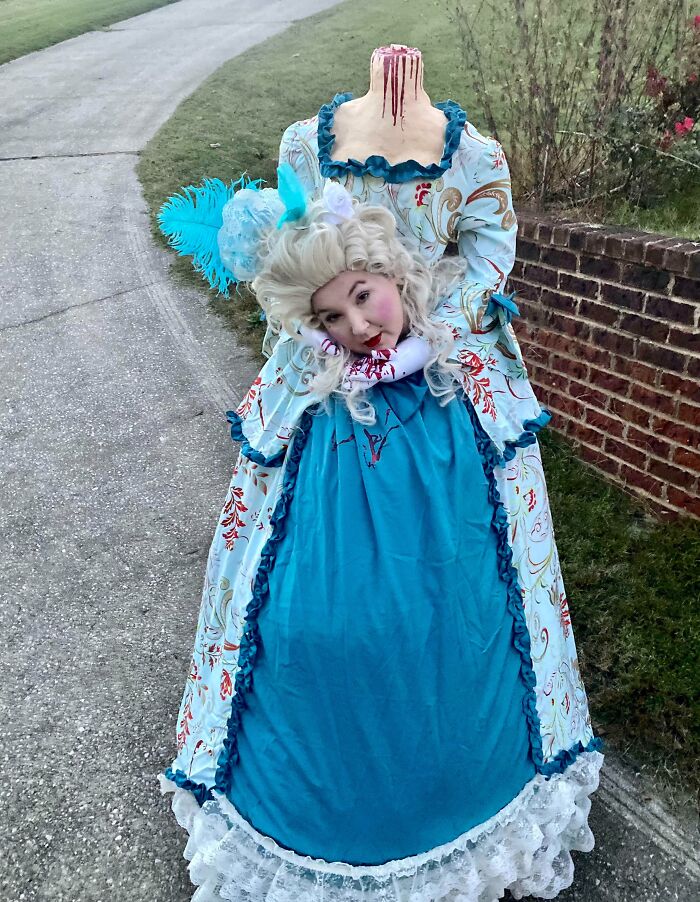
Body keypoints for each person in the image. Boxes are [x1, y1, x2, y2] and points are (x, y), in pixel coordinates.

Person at [158, 154, 603, 899]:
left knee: (460, 609)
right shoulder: (324, 358)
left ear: (391, 275)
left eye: (364, 299)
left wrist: (435, 342)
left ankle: (460, 796)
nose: (359, 328)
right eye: (331, 317)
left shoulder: (472, 167)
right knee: (313, 621)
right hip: (337, 446)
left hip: (442, 428)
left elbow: (492, 254)